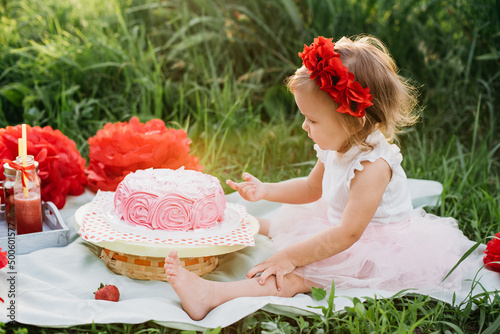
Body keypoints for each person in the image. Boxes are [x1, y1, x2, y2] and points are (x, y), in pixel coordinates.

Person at [164, 35, 476, 320]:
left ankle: (211, 295)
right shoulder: (338, 144)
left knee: (298, 275)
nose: (304, 127)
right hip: (338, 227)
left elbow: (347, 235)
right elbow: (312, 188)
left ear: (353, 122)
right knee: (282, 226)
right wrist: (265, 190)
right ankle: (243, 228)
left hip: (371, 247)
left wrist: (289, 256)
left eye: (312, 119)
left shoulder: (373, 167)